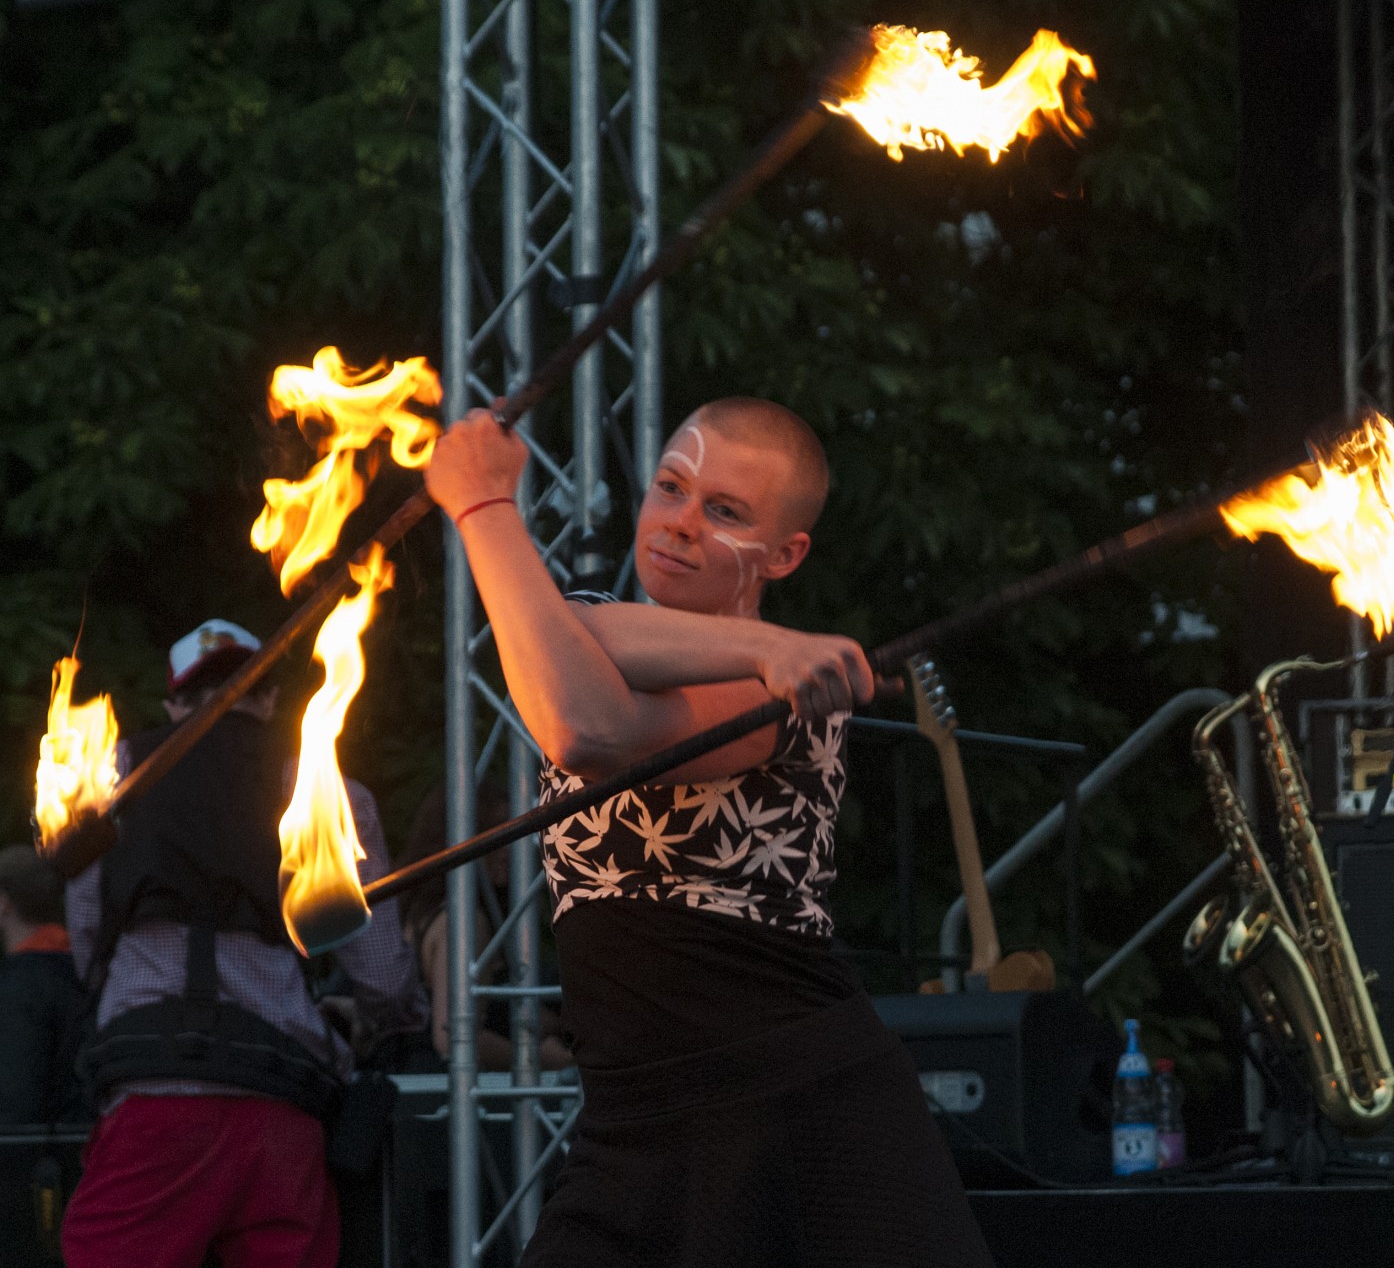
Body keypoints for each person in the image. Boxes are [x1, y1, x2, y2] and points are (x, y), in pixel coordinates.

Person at [426, 397, 995, 1266]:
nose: (681, 523)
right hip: (634, 1121)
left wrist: (485, 508)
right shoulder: (609, 633)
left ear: (785, 555)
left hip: (797, 1104)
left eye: (724, 511)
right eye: (670, 488)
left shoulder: (791, 687)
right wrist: (770, 645)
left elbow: (587, 728)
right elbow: (570, 633)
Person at [60, 618, 429, 1268]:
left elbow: (89, 937)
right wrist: (393, 1023)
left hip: (153, 1089)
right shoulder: (322, 786)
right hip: (279, 1099)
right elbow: (381, 975)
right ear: (269, 698)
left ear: (175, 704)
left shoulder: (109, 777)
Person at [395, 779, 571, 1072]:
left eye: (512, 834)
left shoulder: (425, 913)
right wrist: (539, 1059)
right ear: (458, 839)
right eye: (493, 834)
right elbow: (452, 1037)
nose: (508, 848)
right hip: (453, 1091)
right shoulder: (462, 923)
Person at [0, 844, 88, 1126]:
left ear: (3, 903)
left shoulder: (21, 986)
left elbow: (17, 1098)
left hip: (37, 1149)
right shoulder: (83, 969)